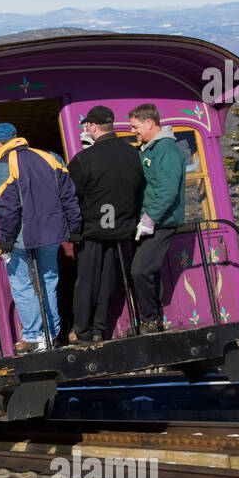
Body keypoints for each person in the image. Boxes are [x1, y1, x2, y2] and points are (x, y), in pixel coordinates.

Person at [0, 122, 82, 353]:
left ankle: (33, 336)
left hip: (21, 237)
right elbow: (69, 196)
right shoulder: (51, 158)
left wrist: (6, 240)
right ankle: (51, 333)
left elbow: (7, 210)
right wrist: (75, 227)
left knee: (22, 283)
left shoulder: (1, 166)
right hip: (53, 234)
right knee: (49, 281)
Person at [67, 106, 144, 341]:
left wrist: (72, 230)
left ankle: (82, 330)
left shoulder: (84, 159)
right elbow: (139, 188)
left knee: (87, 283)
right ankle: (100, 328)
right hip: (122, 230)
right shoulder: (133, 153)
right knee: (107, 282)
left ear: (92, 126)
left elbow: (72, 196)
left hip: (92, 230)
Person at [128, 103, 187, 334]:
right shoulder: (149, 149)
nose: (134, 131)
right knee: (148, 270)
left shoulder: (166, 150)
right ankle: (154, 318)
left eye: (135, 127)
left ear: (149, 123)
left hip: (162, 221)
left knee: (140, 270)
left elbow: (167, 189)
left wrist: (150, 218)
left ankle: (151, 319)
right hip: (150, 220)